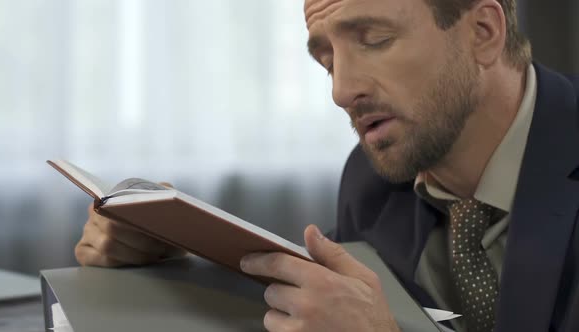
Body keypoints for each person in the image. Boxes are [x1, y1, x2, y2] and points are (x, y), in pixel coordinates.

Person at [75, 0, 579, 331]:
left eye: (375, 40)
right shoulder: (369, 180)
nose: (341, 91)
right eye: (327, 60)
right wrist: (170, 257)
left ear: (483, 32)